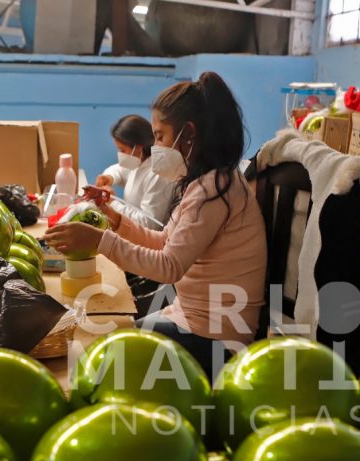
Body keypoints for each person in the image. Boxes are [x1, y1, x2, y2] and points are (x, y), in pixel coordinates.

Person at [46, 72, 267, 379]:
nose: (156, 146)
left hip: (217, 337)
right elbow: (165, 241)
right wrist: (113, 218)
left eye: (160, 136)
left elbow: (167, 267)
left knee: (100, 353)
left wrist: (99, 242)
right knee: (105, 338)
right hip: (192, 317)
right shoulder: (207, 184)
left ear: (188, 134)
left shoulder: (215, 191)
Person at [93, 114, 175, 230]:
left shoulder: (157, 174)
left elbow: (149, 224)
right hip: (133, 233)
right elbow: (120, 170)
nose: (120, 154)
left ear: (138, 147)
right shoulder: (138, 162)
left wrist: (112, 203)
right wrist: (109, 177)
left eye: (122, 150)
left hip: (148, 240)